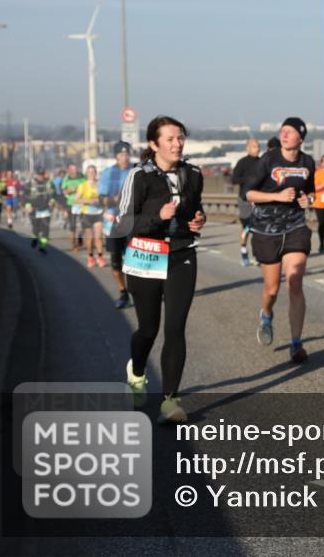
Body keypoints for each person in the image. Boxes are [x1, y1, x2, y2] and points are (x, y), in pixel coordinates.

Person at [116, 116, 206, 424]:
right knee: (148, 330)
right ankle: (137, 370)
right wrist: (157, 215)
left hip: (182, 254)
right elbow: (123, 223)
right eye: (169, 139)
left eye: (180, 138)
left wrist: (198, 220)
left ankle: (170, 400)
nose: (177, 143)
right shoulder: (139, 177)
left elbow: (196, 207)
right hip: (146, 255)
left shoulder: (193, 174)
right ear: (153, 144)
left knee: (175, 328)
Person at [243, 118, 315, 363]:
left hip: (295, 227)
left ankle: (296, 344)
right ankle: (266, 314)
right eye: (283, 130)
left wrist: (308, 201)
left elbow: (310, 192)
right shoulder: (268, 160)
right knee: (272, 289)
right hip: (266, 230)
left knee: (294, 283)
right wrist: (278, 196)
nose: (284, 134)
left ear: (300, 138)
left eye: (290, 131)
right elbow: (248, 193)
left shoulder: (308, 162)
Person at [101, 142, 135, 307]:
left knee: (133, 259)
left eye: (127, 154)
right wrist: (113, 199)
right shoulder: (108, 173)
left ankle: (138, 290)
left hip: (132, 220)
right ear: (116, 156)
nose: (124, 157)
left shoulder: (136, 171)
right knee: (116, 261)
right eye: (121, 154)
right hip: (113, 220)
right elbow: (103, 198)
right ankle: (123, 293)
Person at [231, 138, 261, 266]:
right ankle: (244, 251)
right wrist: (248, 179)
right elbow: (234, 179)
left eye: (258, 146)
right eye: (254, 146)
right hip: (244, 199)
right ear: (248, 148)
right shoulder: (242, 162)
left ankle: (258, 255)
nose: (257, 148)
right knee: (247, 227)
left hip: (259, 199)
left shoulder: (262, 162)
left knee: (259, 228)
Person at [75, 165, 106, 268]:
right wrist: (88, 201)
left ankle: (100, 257)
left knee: (98, 238)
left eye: (93, 171)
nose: (91, 173)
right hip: (87, 214)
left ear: (96, 173)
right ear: (86, 173)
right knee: (90, 238)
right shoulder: (83, 185)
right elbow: (76, 199)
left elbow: (104, 198)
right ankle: (91, 257)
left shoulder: (100, 185)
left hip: (98, 213)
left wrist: (101, 202)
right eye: (89, 172)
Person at [25, 168, 55, 254]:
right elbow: (25, 195)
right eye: (39, 174)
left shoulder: (49, 183)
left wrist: (52, 201)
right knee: (36, 228)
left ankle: (42, 247)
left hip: (46, 209)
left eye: (42, 174)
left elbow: (54, 194)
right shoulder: (30, 184)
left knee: (45, 229)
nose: (40, 176)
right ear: (36, 175)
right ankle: (35, 237)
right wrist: (27, 205)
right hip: (34, 209)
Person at [61, 163, 85, 251]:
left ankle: (80, 236)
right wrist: (71, 190)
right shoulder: (66, 179)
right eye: (72, 169)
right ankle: (74, 244)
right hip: (71, 203)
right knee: (72, 225)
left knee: (84, 224)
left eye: (75, 169)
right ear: (69, 170)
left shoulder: (83, 177)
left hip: (82, 203)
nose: (74, 171)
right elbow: (64, 192)